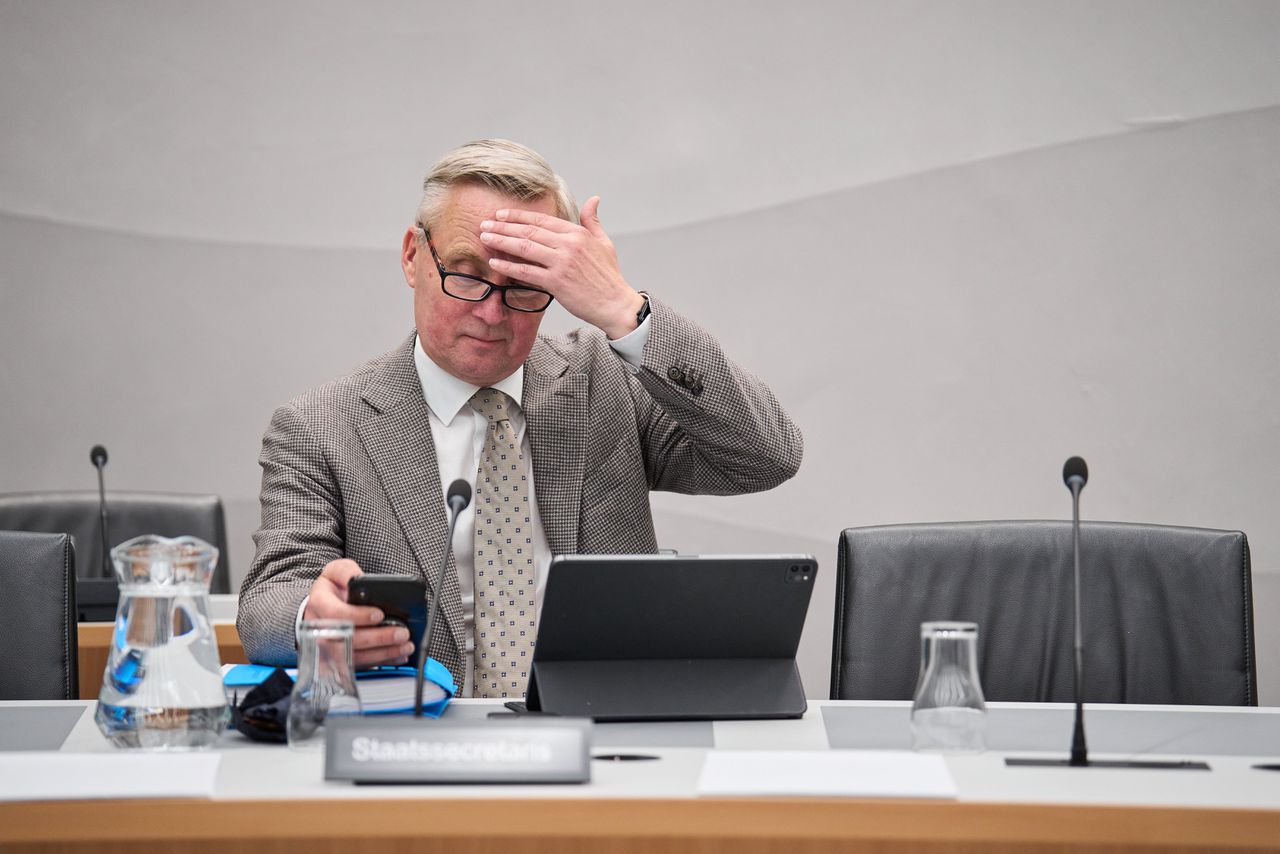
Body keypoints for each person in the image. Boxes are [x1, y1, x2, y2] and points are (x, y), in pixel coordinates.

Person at [237, 139, 803, 697]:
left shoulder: (608, 381)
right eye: (465, 273)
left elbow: (765, 457)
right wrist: (315, 615)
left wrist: (625, 311)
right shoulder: (320, 424)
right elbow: (266, 606)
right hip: (418, 738)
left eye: (525, 286)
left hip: (602, 734)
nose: (490, 312)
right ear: (413, 256)